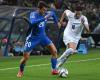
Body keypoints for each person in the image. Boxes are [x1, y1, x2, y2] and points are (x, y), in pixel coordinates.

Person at [17, 1, 59, 78]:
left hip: (43, 37)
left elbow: (53, 13)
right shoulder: (33, 14)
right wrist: (44, 18)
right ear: (39, 9)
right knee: (25, 57)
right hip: (32, 38)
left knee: (54, 51)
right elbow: (32, 22)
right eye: (43, 9)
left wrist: (57, 23)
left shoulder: (46, 13)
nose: (45, 11)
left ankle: (54, 70)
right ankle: (20, 71)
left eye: (46, 10)